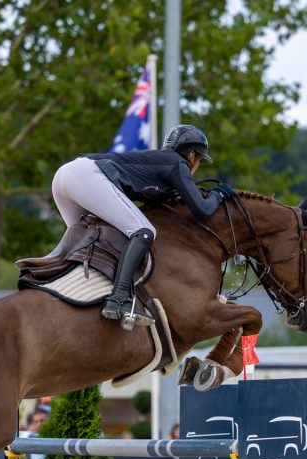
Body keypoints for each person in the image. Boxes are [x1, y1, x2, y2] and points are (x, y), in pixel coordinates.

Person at [50, 124, 231, 327]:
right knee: (144, 232)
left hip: (65, 175)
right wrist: (219, 193)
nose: (197, 164)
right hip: (86, 175)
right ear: (191, 155)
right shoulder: (177, 164)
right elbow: (203, 210)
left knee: (84, 241)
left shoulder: (160, 163)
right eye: (199, 159)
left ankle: (51, 284)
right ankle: (119, 299)